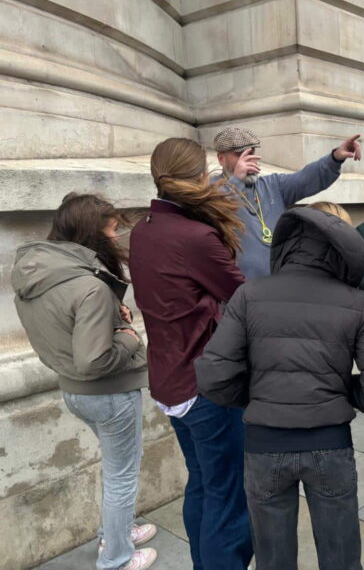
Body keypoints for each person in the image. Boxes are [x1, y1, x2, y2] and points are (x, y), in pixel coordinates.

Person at [195, 204, 364, 570]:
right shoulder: (358, 302)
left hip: (264, 445)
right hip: (329, 444)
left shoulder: (249, 295)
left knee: (273, 561)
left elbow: (213, 375)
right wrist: (343, 392)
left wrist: (260, 395)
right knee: (341, 559)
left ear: (289, 242)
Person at [12, 194, 155, 570]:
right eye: (112, 229)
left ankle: (116, 532)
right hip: (109, 392)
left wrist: (111, 314)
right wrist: (127, 336)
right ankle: (117, 557)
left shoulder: (36, 271)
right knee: (123, 472)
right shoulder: (88, 286)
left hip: (73, 390)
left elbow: (62, 328)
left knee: (116, 466)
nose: (117, 235)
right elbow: (94, 359)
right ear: (92, 234)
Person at [129, 138, 251, 570]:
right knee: (227, 493)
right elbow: (244, 297)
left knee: (203, 482)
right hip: (206, 385)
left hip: (170, 378)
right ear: (200, 175)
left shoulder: (144, 228)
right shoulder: (195, 236)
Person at [212, 126, 362, 279]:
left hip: (280, 284)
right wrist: (236, 180)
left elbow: (306, 178)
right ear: (221, 159)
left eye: (251, 153)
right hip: (239, 290)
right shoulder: (210, 190)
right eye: (239, 155)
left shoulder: (273, 184)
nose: (248, 160)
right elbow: (218, 209)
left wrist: (335, 158)